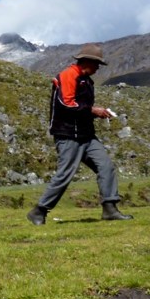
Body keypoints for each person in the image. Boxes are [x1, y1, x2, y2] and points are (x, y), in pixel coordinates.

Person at [27, 43, 133, 225]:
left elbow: (79, 107)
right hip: (68, 134)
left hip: (86, 135)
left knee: (106, 166)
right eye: (97, 64)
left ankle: (110, 208)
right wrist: (92, 111)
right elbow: (66, 104)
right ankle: (39, 210)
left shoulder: (86, 81)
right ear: (87, 61)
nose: (98, 68)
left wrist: (95, 112)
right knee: (65, 174)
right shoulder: (69, 76)